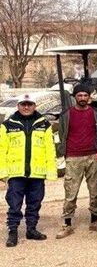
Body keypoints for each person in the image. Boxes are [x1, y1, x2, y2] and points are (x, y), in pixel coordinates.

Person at [1, 94, 57, 247]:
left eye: (29, 104)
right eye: (23, 104)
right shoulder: (7, 125)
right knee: (14, 204)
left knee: (34, 203)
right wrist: (2, 172)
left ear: (34, 106)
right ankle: (13, 232)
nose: (26, 107)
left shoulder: (44, 125)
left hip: (36, 173)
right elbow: (1, 150)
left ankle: (31, 229)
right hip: (16, 173)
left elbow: (50, 149)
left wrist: (51, 171)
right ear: (18, 106)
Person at [56, 84, 97, 239]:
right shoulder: (66, 115)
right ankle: (67, 224)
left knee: (95, 191)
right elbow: (61, 134)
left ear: (89, 97)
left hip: (94, 156)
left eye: (85, 95)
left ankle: (94, 220)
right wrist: (62, 154)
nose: (83, 98)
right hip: (73, 156)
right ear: (75, 97)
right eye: (80, 95)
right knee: (70, 191)